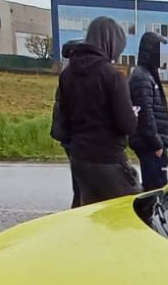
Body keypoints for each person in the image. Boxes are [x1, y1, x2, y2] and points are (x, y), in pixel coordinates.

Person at [49, 17, 138, 205]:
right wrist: (133, 114)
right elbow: (127, 124)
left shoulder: (67, 74)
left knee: (88, 212)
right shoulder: (112, 76)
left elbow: (63, 118)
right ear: (111, 43)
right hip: (109, 159)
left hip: (79, 158)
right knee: (128, 211)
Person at [127, 31, 168, 191]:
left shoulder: (149, 75)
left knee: (158, 184)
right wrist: (157, 144)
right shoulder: (141, 77)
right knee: (154, 187)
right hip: (150, 146)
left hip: (153, 145)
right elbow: (145, 115)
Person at [51, 40, 79, 205]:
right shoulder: (72, 75)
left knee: (78, 180)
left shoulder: (67, 73)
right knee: (81, 183)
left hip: (67, 135)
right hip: (72, 136)